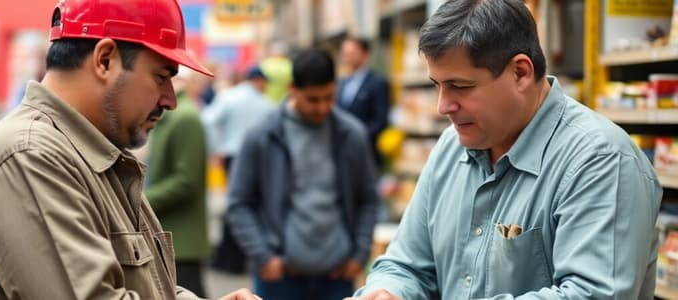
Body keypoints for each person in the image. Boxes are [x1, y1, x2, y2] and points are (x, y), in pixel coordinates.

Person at [350, 0, 662, 299]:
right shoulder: (450, 148)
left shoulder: (600, 161)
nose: (442, 106)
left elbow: (591, 295)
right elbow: (407, 264)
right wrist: (388, 291)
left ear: (521, 73)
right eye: (437, 85)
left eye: (460, 86)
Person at [0, 0, 259, 299]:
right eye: (161, 77)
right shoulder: (31, 158)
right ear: (105, 60)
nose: (170, 100)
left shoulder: (91, 155)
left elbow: (143, 288)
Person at [227, 49, 380, 300]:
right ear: (292, 89)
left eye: (329, 97)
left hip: (337, 280)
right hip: (280, 281)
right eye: (312, 99)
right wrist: (263, 256)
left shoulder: (352, 135)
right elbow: (239, 202)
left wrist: (359, 254)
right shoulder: (263, 136)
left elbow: (368, 198)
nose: (322, 107)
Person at [143, 68, 210, 297]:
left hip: (182, 239)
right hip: (168, 233)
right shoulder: (171, 117)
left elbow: (186, 180)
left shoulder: (185, 117)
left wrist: (140, 201)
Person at [202, 65, 274, 274]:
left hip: (232, 156)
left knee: (234, 205)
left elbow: (207, 120)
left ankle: (228, 257)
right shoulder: (266, 104)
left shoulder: (229, 97)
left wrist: (216, 148)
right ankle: (244, 257)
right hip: (258, 161)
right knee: (250, 206)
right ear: (259, 81)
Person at [336, 36, 390, 168]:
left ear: (365, 54)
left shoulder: (377, 83)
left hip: (367, 154)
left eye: (352, 53)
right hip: (342, 154)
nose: (347, 58)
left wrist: (355, 136)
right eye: (345, 54)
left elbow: (380, 120)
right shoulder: (340, 83)